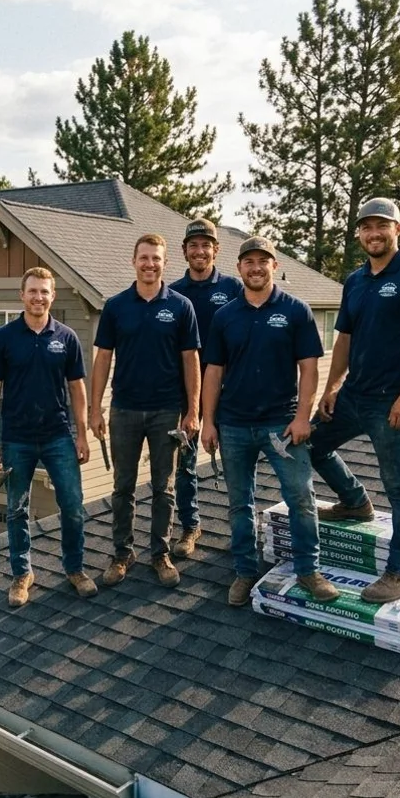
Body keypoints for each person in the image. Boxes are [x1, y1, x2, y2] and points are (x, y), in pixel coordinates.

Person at [309, 198, 400, 604]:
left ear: (397, 230)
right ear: (358, 234)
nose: (373, 234)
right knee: (313, 446)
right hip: (354, 396)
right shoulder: (356, 281)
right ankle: (354, 502)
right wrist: (331, 388)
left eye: (381, 226)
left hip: (392, 403)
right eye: (366, 227)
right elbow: (345, 339)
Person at [200, 237, 339, 607]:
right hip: (233, 425)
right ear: (240, 269)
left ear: (273, 267)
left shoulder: (295, 310)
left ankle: (309, 571)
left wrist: (301, 417)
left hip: (282, 426)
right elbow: (213, 372)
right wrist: (208, 421)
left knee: (301, 498)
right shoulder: (225, 316)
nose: (256, 268)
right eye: (249, 262)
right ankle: (245, 572)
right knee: (238, 504)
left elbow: (308, 368)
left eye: (263, 261)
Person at [0, 267, 96, 607]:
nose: (38, 297)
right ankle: (22, 574)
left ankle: (74, 569)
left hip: (58, 435)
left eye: (44, 291)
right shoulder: (3, 338)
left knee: (73, 506)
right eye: (32, 291)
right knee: (17, 509)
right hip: (16, 438)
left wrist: (82, 435)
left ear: (52, 296)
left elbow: (77, 389)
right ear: (22, 295)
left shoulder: (67, 337)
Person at [89, 234, 200, 589]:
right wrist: (95, 408)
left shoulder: (181, 306)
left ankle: (160, 554)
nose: (150, 264)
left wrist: (193, 410)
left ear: (165, 263)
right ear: (133, 261)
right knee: (122, 487)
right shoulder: (116, 306)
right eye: (144, 258)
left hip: (167, 411)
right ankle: (123, 554)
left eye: (156, 258)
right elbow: (103, 357)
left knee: (164, 488)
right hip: (124, 409)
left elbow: (191, 359)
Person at [169, 218, 244, 557]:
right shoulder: (173, 293)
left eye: (206, 245)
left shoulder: (232, 288)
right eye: (193, 245)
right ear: (185, 251)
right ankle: (190, 527)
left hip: (231, 393)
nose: (200, 250)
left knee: (238, 464)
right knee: (186, 465)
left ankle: (242, 532)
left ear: (217, 249)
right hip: (187, 396)